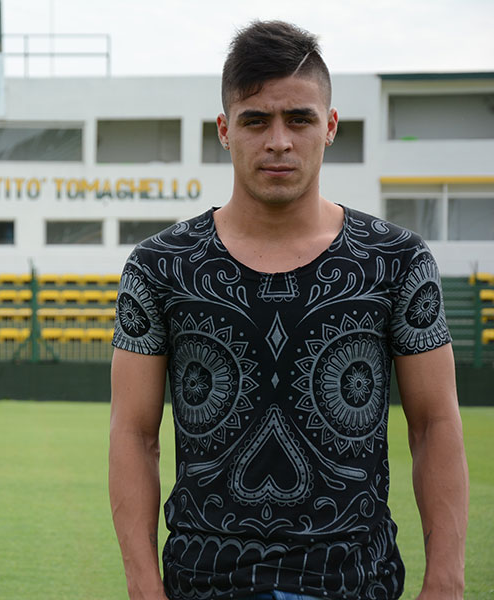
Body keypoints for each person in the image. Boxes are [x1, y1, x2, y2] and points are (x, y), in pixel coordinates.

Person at [108, 20, 468, 600]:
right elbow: (133, 433)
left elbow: (435, 425)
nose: (278, 140)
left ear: (330, 126)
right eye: (256, 120)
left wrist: (446, 581)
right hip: (206, 582)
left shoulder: (396, 260)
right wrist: (143, 586)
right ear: (225, 130)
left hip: (354, 581)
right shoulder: (160, 266)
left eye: (299, 119)